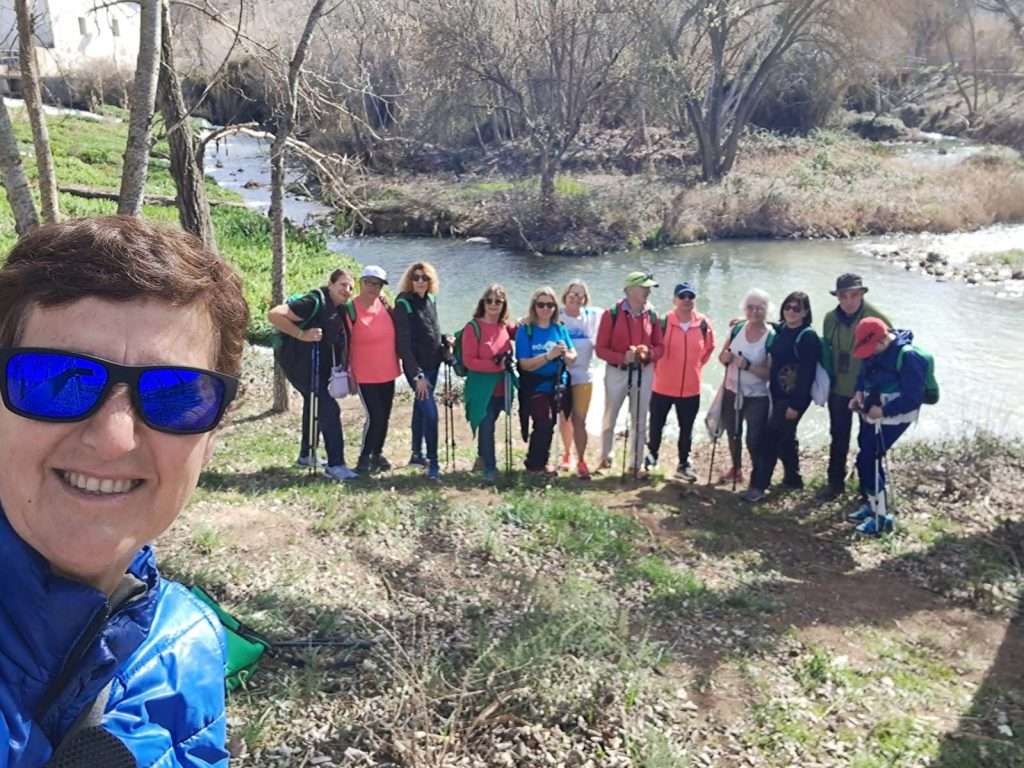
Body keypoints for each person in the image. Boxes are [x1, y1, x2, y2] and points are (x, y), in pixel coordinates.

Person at [0, 216, 247, 767]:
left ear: (212, 436)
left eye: (175, 394)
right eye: (57, 380)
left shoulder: (187, 647)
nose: (114, 440)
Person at [268, 268, 358, 481]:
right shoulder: (312, 301)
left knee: (314, 403)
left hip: (319, 368)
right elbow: (274, 314)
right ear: (331, 284)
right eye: (342, 285)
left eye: (350, 287)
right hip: (299, 365)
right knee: (330, 409)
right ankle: (336, 465)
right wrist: (302, 334)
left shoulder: (340, 308)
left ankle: (307, 455)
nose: (346, 290)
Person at [847, 317, 929, 535]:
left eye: (871, 348)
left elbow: (913, 397)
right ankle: (873, 505)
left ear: (883, 339)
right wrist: (858, 394)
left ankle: (881, 517)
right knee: (866, 456)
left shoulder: (909, 357)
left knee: (869, 459)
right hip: (872, 411)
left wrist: (884, 411)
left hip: (894, 417)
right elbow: (864, 375)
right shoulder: (873, 349)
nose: (869, 353)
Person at [817, 273, 892, 502]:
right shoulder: (830, 319)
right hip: (838, 389)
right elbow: (826, 351)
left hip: (867, 391)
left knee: (868, 441)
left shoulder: (876, 319)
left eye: (854, 295)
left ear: (862, 294)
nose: (849, 301)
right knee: (838, 436)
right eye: (844, 296)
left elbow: (888, 356)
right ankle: (835, 484)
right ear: (837, 297)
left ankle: (868, 488)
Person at [742, 291, 821, 502]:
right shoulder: (783, 329)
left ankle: (758, 486)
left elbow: (807, 374)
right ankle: (793, 479)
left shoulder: (808, 337)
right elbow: (771, 326)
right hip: (777, 394)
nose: (791, 312)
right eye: (788, 307)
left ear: (805, 312)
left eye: (797, 308)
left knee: (769, 439)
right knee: (786, 437)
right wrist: (743, 321)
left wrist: (796, 405)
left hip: (794, 398)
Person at [595, 271, 664, 475]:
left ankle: (636, 463)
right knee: (610, 416)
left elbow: (660, 347)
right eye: (644, 288)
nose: (648, 292)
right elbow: (600, 349)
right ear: (630, 290)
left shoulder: (652, 314)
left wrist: (648, 353)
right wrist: (622, 357)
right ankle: (605, 458)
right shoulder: (611, 313)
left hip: (644, 371)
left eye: (649, 288)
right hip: (617, 372)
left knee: (640, 419)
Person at [647, 281, 716, 481]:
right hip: (662, 385)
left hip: (691, 388)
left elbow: (708, 349)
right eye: (682, 296)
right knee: (656, 424)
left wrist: (695, 367)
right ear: (674, 300)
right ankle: (651, 457)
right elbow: (653, 348)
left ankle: (683, 464)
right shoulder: (663, 321)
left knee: (687, 429)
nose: (686, 300)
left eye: (690, 296)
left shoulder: (703, 323)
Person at [394, 261, 449, 481]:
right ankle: (433, 463)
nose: (420, 281)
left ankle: (417, 454)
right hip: (416, 369)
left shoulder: (431, 299)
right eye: (416, 277)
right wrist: (417, 375)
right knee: (431, 413)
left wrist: (445, 342)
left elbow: (432, 329)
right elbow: (404, 345)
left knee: (420, 407)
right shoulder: (403, 303)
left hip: (433, 364)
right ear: (410, 280)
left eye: (424, 278)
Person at [346, 265, 401, 475]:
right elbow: (343, 343)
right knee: (375, 416)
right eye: (368, 282)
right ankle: (364, 457)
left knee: (384, 416)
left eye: (377, 284)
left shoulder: (385, 305)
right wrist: (348, 371)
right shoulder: (350, 309)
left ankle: (377, 454)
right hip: (364, 373)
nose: (372, 287)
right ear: (360, 283)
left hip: (388, 370)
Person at [516, 287, 577, 474]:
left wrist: (565, 354)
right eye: (541, 304)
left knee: (550, 424)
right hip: (534, 385)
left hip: (557, 383)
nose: (545, 309)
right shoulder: (525, 330)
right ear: (534, 306)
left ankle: (541, 462)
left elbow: (573, 356)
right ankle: (534, 464)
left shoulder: (559, 328)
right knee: (544, 421)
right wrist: (549, 356)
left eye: (550, 305)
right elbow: (524, 364)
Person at [717, 289, 773, 485]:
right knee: (733, 433)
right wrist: (725, 358)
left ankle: (758, 476)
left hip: (757, 395)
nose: (754, 311)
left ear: (767, 310)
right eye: (750, 307)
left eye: (760, 308)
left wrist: (748, 366)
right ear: (744, 309)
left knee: (754, 438)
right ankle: (736, 469)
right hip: (732, 390)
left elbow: (771, 373)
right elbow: (722, 356)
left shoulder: (771, 336)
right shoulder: (737, 329)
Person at [462, 284, 516, 482]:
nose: (493, 305)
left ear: (504, 304)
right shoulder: (472, 328)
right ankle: (490, 469)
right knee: (486, 425)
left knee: (490, 422)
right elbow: (469, 361)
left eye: (498, 301)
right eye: (489, 300)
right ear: (483, 303)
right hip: (480, 389)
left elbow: (528, 329)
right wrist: (496, 366)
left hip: (502, 388)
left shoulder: (505, 327)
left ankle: (481, 458)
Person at [557, 279, 601, 479]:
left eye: (580, 295)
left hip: (584, 376)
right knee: (564, 418)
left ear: (585, 299)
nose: (576, 298)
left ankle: (581, 460)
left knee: (580, 420)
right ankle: (567, 454)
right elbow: (534, 318)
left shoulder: (592, 316)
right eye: (572, 294)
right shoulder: (557, 315)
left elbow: (617, 314)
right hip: (562, 376)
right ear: (565, 296)